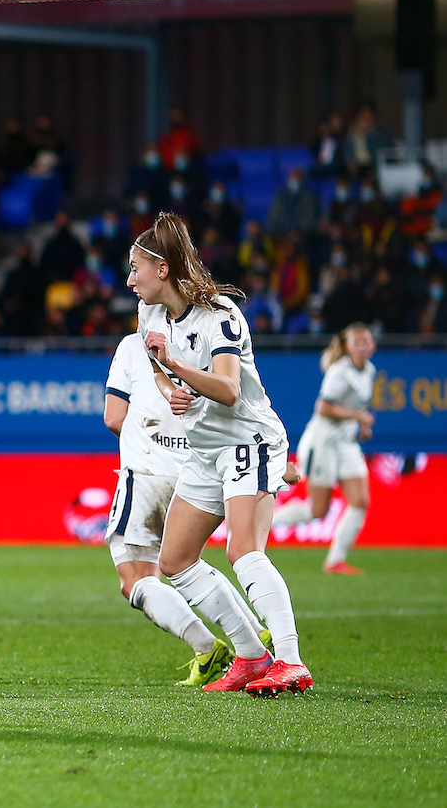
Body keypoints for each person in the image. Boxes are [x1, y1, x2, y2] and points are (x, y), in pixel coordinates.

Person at [130, 212, 312, 696]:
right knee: (175, 560)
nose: (130, 280)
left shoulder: (220, 314)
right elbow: (160, 373)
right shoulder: (150, 314)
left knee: (243, 551)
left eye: (136, 269)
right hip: (206, 448)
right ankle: (252, 656)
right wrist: (171, 386)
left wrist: (176, 365)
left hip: (247, 440)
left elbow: (230, 390)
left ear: (162, 269)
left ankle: (291, 661)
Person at [103, 332, 271, 686]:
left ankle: (208, 648)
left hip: (147, 472)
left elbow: (114, 417)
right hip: (197, 473)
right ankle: (257, 632)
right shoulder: (208, 340)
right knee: (188, 563)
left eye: (136, 273)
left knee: (137, 579)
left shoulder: (133, 345)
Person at [272, 324, 376, 574]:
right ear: (347, 346)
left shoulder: (369, 370)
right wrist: (358, 417)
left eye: (367, 341)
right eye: (358, 342)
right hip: (323, 443)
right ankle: (265, 522)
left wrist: (360, 424)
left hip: (346, 443)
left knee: (360, 501)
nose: (363, 346)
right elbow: (324, 407)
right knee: (318, 510)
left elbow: (357, 406)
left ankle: (335, 561)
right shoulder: (340, 371)